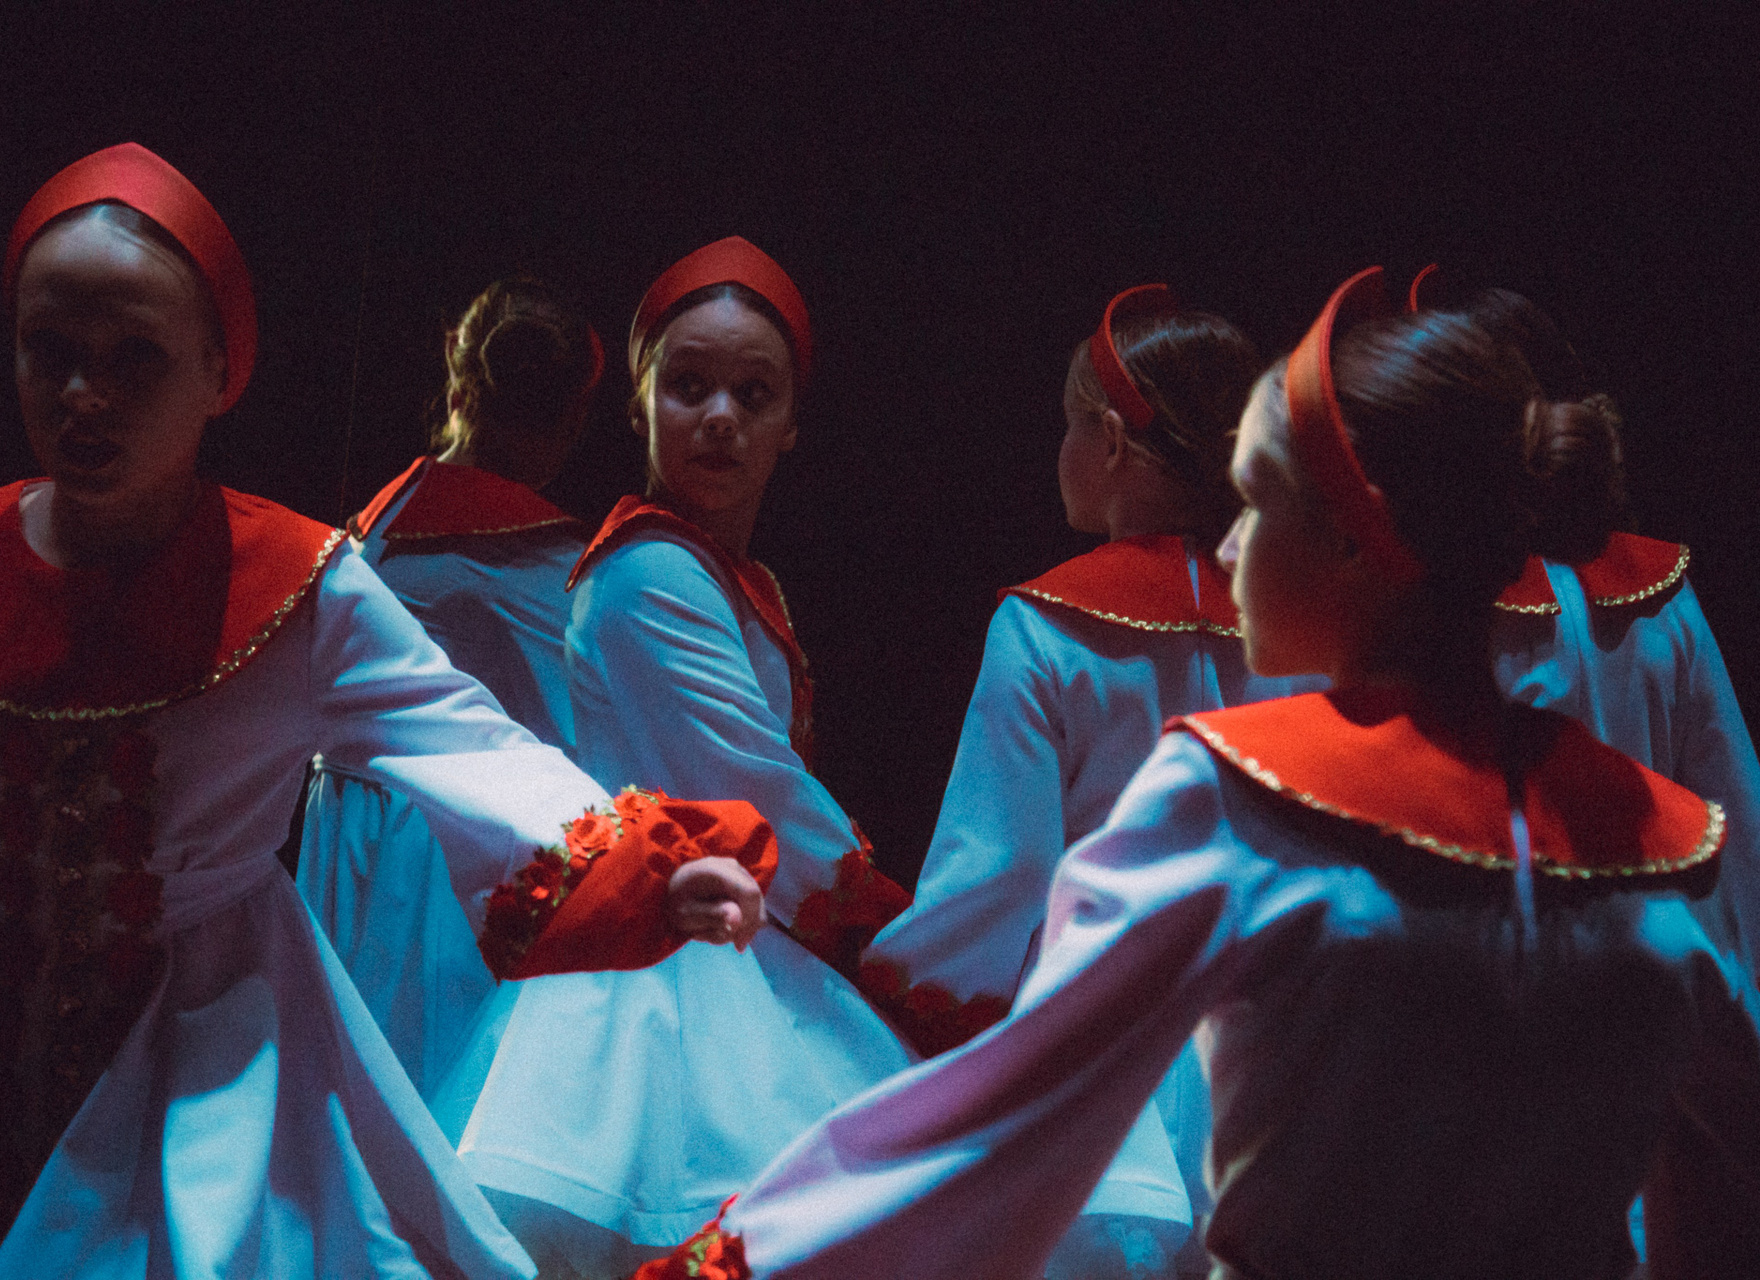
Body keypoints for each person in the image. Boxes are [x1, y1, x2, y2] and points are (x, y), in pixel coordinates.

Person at [634, 269, 1760, 1280]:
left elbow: (1003, 1116)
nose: (1226, 543)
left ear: (1356, 542)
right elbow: (1721, 1185)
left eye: (1256, 500)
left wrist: (729, 1263)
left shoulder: (1240, 798)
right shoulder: (1664, 845)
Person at [0, 144, 775, 1280]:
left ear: (217, 369)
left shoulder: (296, 585)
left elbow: (469, 743)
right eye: (53, 351)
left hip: (211, 1032)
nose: (85, 394)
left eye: (135, 357)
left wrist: (650, 860)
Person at [431, 237, 917, 1279]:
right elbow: (757, 788)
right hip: (674, 965)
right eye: (689, 386)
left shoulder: (731, 574)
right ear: (639, 401)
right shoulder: (650, 569)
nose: (720, 417)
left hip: (736, 936)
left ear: (792, 424)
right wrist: (900, 936)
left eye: (754, 394)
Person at [857, 286, 1322, 1277]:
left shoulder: (1045, 626)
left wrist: (892, 989)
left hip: (1109, 1047)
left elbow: (999, 875)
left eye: (1070, 424)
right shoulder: (1302, 623)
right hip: (1282, 1031)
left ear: (1109, 440)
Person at [299, 276, 602, 1097]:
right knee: (432, 1090)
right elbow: (587, 737)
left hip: (348, 825)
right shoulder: (550, 568)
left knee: (352, 1081)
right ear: (572, 422)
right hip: (446, 850)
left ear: (458, 380)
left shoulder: (377, 525)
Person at [1413, 280, 1760, 986]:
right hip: (1656, 967)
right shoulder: (1662, 596)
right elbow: (1736, 816)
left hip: (1510, 981)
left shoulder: (1449, 600)